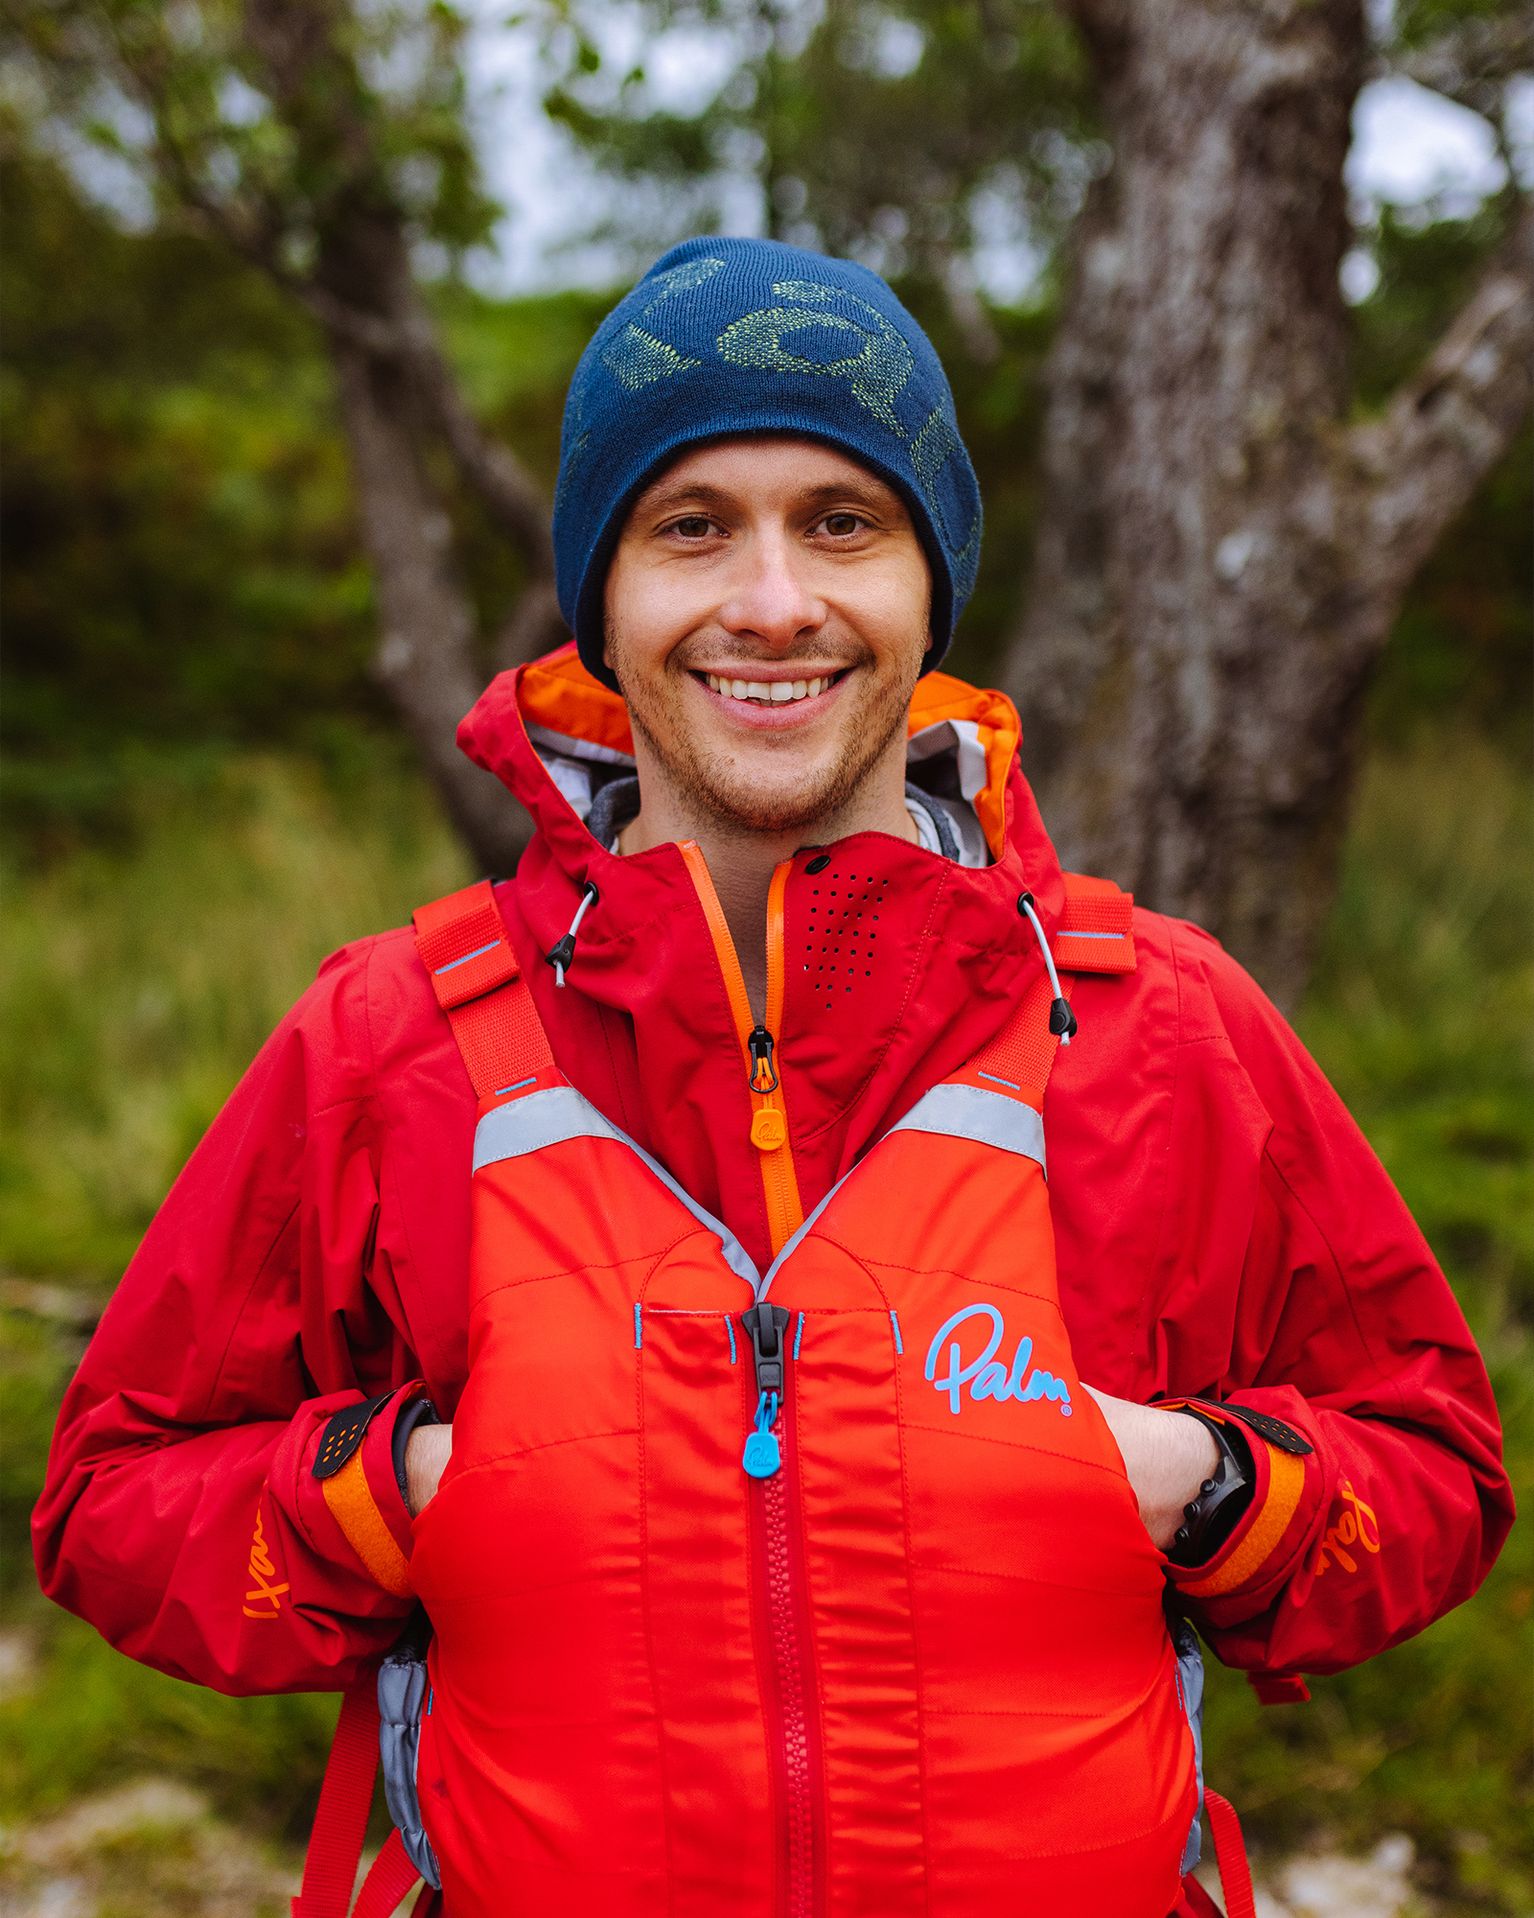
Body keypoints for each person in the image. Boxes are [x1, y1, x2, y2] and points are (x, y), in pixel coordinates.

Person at [34, 237, 1512, 1918]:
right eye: (689, 526)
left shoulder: (1154, 1019)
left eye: (840, 520)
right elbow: (110, 1505)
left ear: (926, 579)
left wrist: (1199, 1482)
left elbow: (1437, 1471)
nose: (770, 603)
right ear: (600, 596)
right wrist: (407, 1489)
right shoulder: (394, 1035)